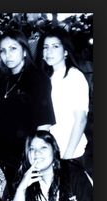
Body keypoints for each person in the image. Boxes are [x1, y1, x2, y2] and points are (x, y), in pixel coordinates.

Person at [0, 29, 56, 192]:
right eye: (3, 50)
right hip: (3, 156)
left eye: (13, 48)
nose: (7, 54)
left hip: (25, 156)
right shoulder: (4, 78)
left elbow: (44, 123)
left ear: (24, 51)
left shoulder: (37, 78)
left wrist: (34, 159)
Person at [36, 27, 89, 163]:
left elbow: (80, 120)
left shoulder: (74, 76)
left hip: (71, 153)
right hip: (51, 153)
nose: (49, 51)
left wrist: (67, 157)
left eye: (55, 46)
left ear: (65, 51)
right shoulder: (46, 77)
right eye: (46, 47)